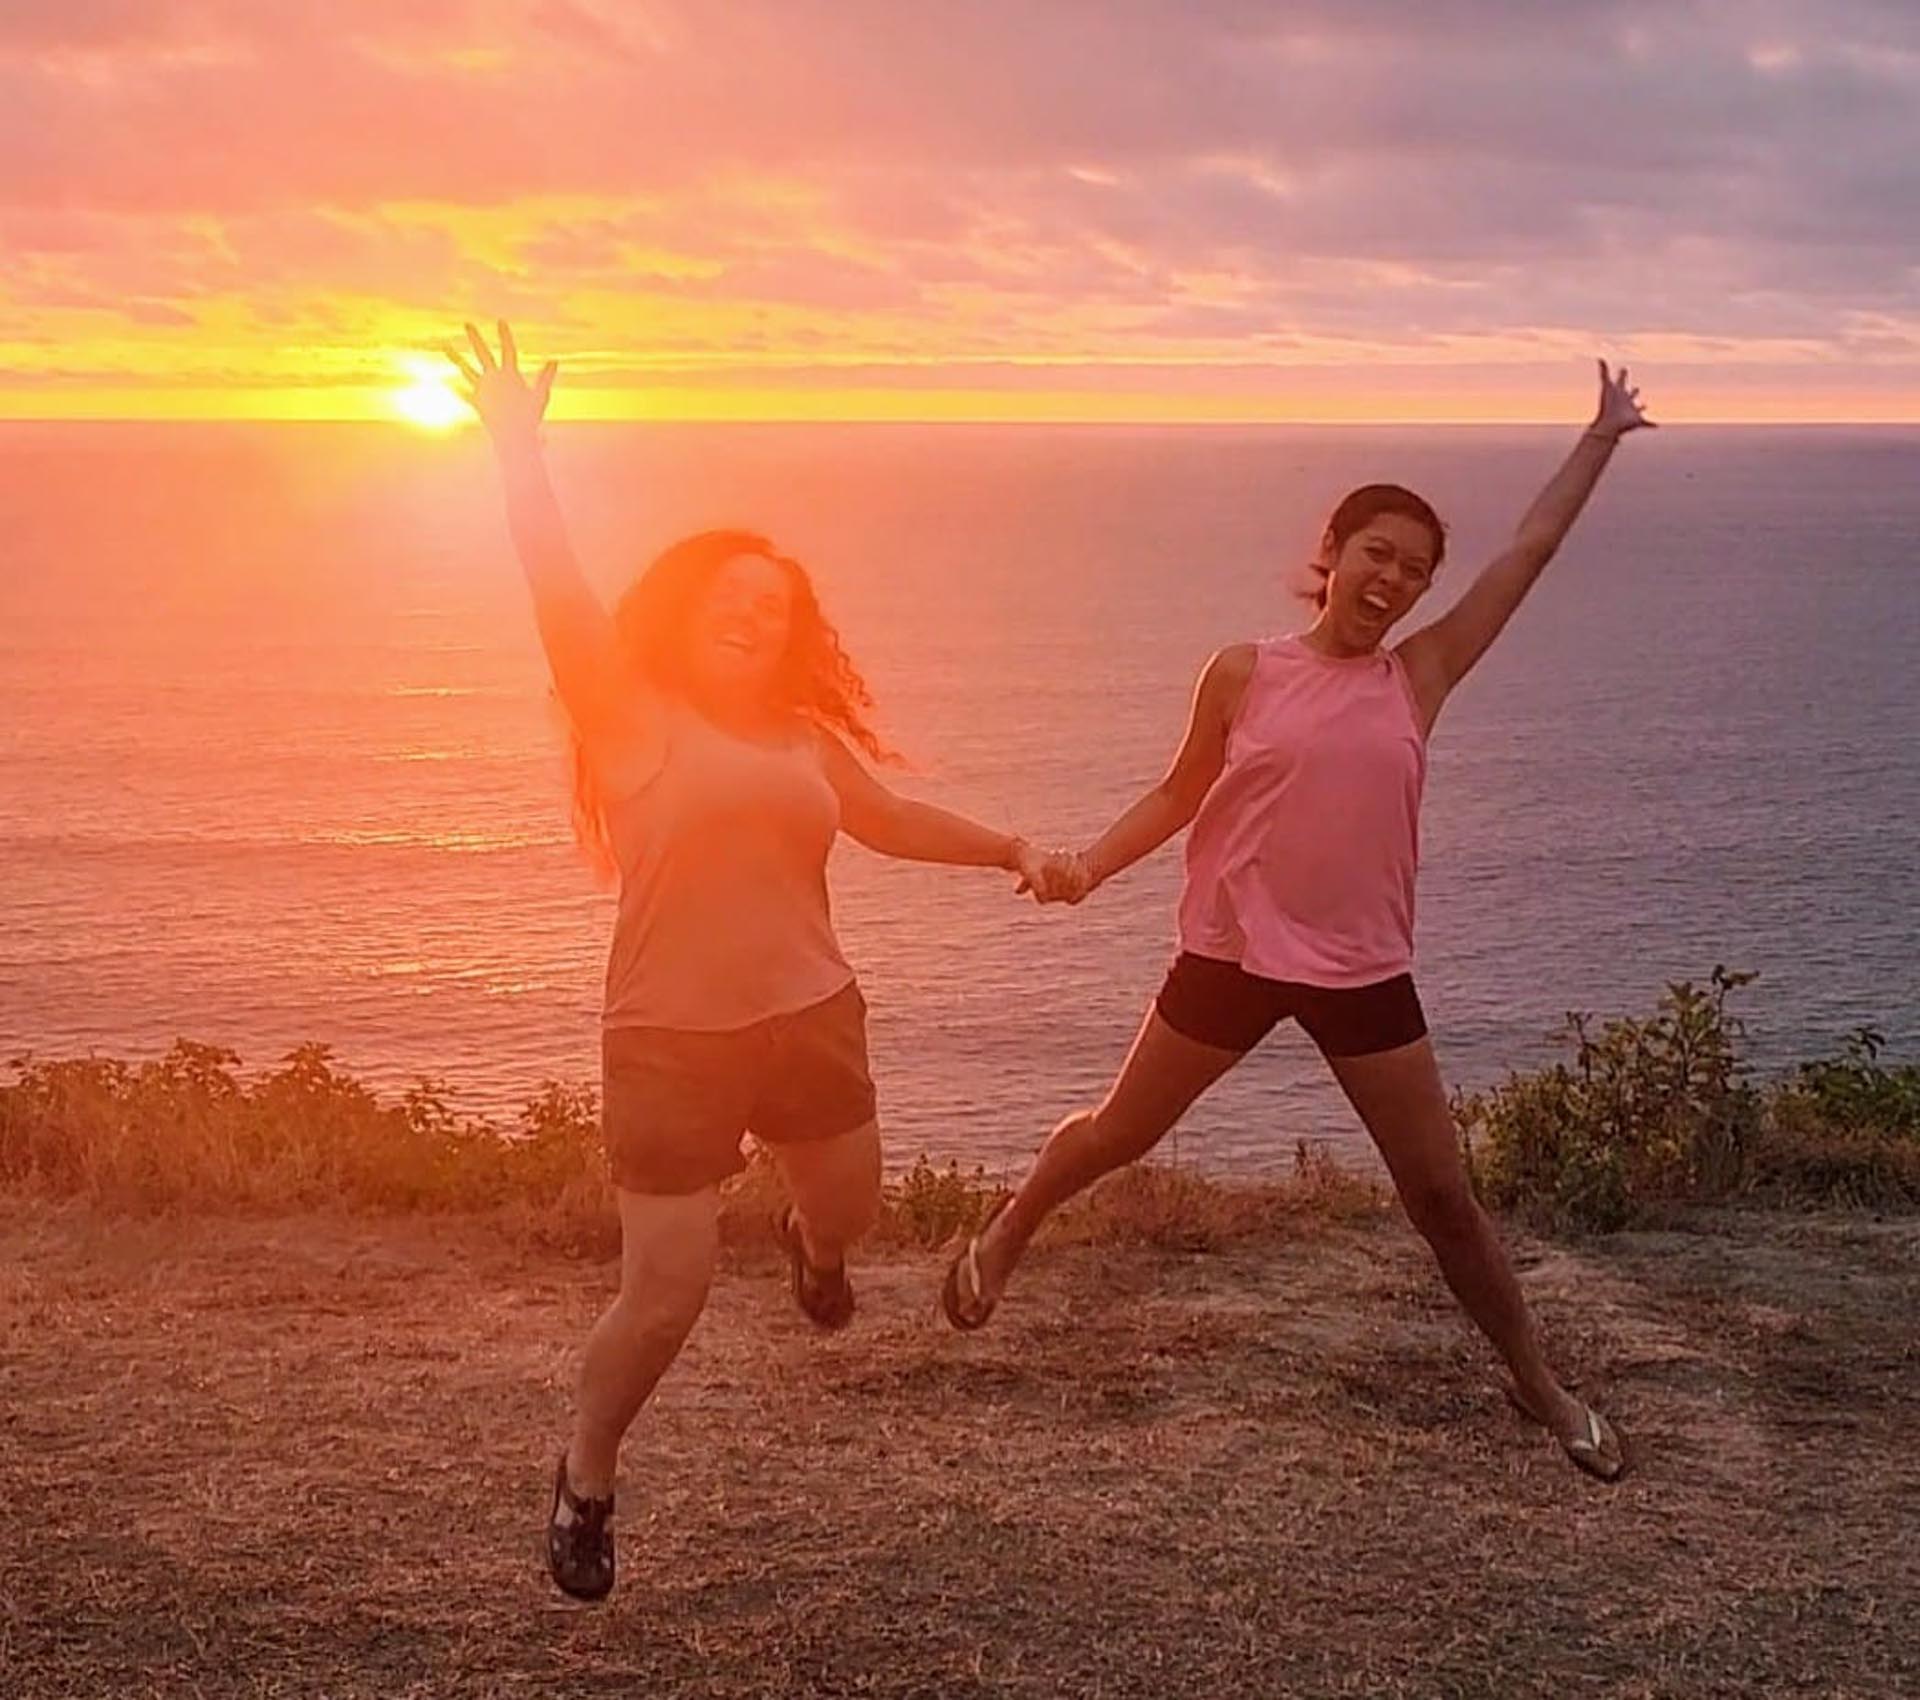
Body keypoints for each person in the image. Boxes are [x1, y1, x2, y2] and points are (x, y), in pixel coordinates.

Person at [943, 360, 1655, 1483]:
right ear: (1333, 550)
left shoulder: (1420, 675)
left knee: (1442, 1198)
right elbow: (1179, 794)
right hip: (1230, 955)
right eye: (1377, 553)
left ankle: (1537, 1380)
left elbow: (1528, 552)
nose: (1394, 580)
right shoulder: (1243, 672)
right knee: (1117, 1134)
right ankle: (1008, 1227)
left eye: (1415, 570)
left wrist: (1601, 435)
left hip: (1361, 969)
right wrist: (1087, 867)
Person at [445, 323, 1051, 1600]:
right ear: (686, 609)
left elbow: (888, 817)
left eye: (771, 608)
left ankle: (814, 1253)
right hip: (672, 1039)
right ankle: (588, 1472)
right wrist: (516, 452)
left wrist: (1009, 848)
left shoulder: (802, 740)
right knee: (666, 1293)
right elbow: (558, 592)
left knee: (852, 1212)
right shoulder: (628, 714)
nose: (749, 616)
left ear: (790, 636)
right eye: (729, 596)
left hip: (812, 1014)